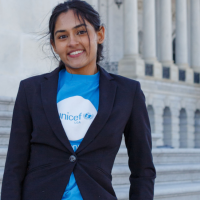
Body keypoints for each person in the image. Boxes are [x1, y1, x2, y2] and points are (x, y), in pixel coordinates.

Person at [1, 0, 156, 199]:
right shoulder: (31, 90)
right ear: (54, 44)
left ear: (100, 34)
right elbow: (14, 166)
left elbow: (143, 169)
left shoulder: (128, 92)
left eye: (81, 32)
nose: (72, 42)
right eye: (63, 36)